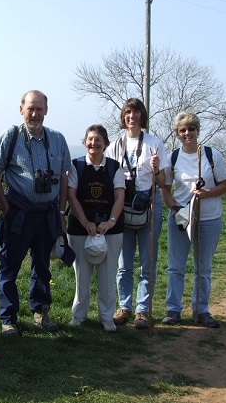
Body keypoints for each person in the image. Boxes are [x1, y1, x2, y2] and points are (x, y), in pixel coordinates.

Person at [0, 90, 71, 337]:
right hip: (18, 213)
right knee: (9, 265)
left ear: (46, 111)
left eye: (39, 109)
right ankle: (8, 319)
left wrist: (60, 211)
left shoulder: (57, 139)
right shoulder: (11, 136)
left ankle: (40, 313)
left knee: (43, 267)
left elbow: (64, 177)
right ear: (21, 109)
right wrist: (5, 207)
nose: (34, 114)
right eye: (30, 108)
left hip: (47, 213)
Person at [160, 112, 226, 328]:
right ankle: (173, 310)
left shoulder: (211, 155)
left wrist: (207, 193)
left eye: (191, 129)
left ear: (198, 130)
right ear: (177, 133)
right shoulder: (173, 157)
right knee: (176, 266)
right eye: (182, 130)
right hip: (181, 219)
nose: (187, 133)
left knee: (203, 268)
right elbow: (165, 187)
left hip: (208, 218)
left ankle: (201, 310)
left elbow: (225, 185)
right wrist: (173, 208)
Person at [106, 98, 168, 329]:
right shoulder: (115, 145)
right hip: (123, 205)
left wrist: (155, 168)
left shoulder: (154, 143)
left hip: (149, 204)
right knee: (124, 263)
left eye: (136, 112)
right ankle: (125, 307)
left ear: (142, 115)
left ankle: (143, 311)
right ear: (123, 116)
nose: (132, 116)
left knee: (147, 261)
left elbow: (162, 182)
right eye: (128, 112)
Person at [67, 125, 125, 332]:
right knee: (82, 273)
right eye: (90, 139)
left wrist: (110, 221)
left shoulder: (114, 167)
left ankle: (107, 317)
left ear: (105, 144)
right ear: (85, 142)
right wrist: (85, 222)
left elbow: (120, 196)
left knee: (108, 274)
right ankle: (79, 315)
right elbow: (71, 196)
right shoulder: (76, 166)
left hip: (111, 229)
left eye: (98, 140)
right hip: (80, 228)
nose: (94, 143)